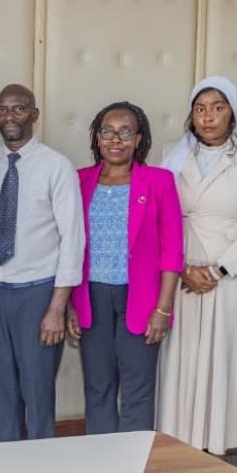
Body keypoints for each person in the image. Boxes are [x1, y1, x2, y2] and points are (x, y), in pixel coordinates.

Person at [157, 77, 237, 453]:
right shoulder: (172, 153)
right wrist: (182, 267)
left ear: (233, 113)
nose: (208, 116)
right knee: (185, 357)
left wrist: (218, 269)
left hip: (231, 277)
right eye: (200, 108)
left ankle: (223, 442)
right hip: (181, 273)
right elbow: (159, 217)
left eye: (218, 107)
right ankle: (183, 442)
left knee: (228, 356)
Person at [0, 84, 83, 441]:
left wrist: (57, 309)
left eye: (19, 108)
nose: (10, 116)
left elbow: (73, 238)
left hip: (39, 295)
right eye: (2, 109)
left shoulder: (57, 166)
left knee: (37, 391)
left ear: (34, 115)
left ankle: (42, 470)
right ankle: (2, 471)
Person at [66, 102, 182, 433]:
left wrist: (163, 308)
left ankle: (133, 467)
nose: (116, 139)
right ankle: (101, 465)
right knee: (98, 388)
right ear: (97, 138)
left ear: (138, 138)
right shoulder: (80, 180)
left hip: (142, 301)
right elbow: (72, 246)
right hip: (92, 299)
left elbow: (173, 250)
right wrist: (73, 304)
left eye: (125, 132)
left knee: (137, 391)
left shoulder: (159, 181)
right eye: (108, 131)